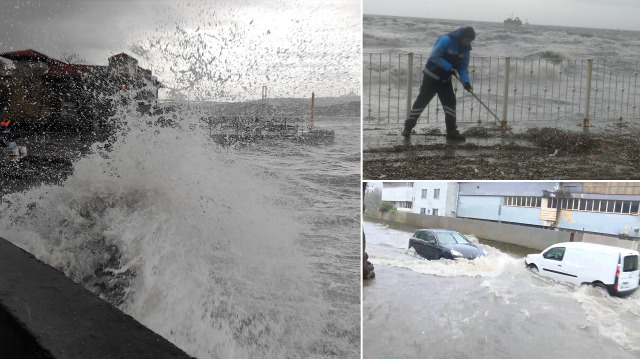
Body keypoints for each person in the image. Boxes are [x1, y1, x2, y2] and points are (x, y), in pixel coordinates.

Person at [402, 27, 475, 141]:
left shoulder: (466, 50)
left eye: (469, 41)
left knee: (450, 104)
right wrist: (449, 67)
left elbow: (462, 67)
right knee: (421, 102)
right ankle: (408, 128)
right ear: (461, 37)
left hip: (445, 80)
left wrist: (466, 81)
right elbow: (435, 56)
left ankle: (451, 131)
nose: (467, 43)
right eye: (466, 40)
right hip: (431, 77)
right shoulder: (446, 40)